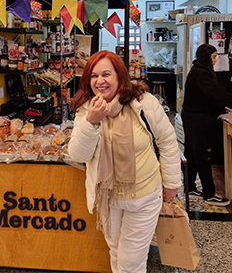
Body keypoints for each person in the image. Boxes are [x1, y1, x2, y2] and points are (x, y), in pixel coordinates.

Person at [68, 50, 181, 273]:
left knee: (131, 261)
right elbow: (78, 155)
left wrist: (171, 182)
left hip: (144, 195)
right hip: (108, 198)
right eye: (93, 75)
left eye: (106, 74)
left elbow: (167, 141)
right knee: (116, 252)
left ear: (120, 76)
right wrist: (91, 122)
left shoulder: (143, 103)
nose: (99, 81)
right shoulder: (86, 109)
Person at [182, 44, 232, 206]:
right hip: (197, 119)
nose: (216, 60)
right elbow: (213, 93)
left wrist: (221, 106)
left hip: (190, 116)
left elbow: (209, 95)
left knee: (191, 153)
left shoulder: (197, 70)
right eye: (214, 56)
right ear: (206, 57)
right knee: (201, 155)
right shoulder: (202, 73)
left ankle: (189, 187)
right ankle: (209, 194)